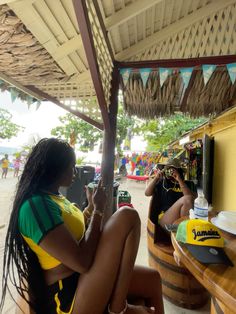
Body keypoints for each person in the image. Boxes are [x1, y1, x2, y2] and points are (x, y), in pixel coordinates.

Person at [0, 138, 164, 314]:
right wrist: (99, 211)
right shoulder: (35, 207)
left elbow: (75, 231)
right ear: (56, 168)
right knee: (127, 216)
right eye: (72, 167)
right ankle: (119, 308)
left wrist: (91, 208)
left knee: (152, 279)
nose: (75, 173)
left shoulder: (55, 197)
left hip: (84, 276)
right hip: (67, 293)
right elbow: (81, 262)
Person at [145, 158, 196, 230]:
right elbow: (147, 193)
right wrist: (156, 178)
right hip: (165, 221)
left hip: (180, 222)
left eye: (172, 169)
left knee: (188, 199)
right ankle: (183, 231)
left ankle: (182, 230)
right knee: (186, 199)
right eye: (167, 169)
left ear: (179, 170)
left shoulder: (188, 184)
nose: (170, 172)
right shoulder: (162, 183)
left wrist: (179, 180)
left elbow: (190, 199)